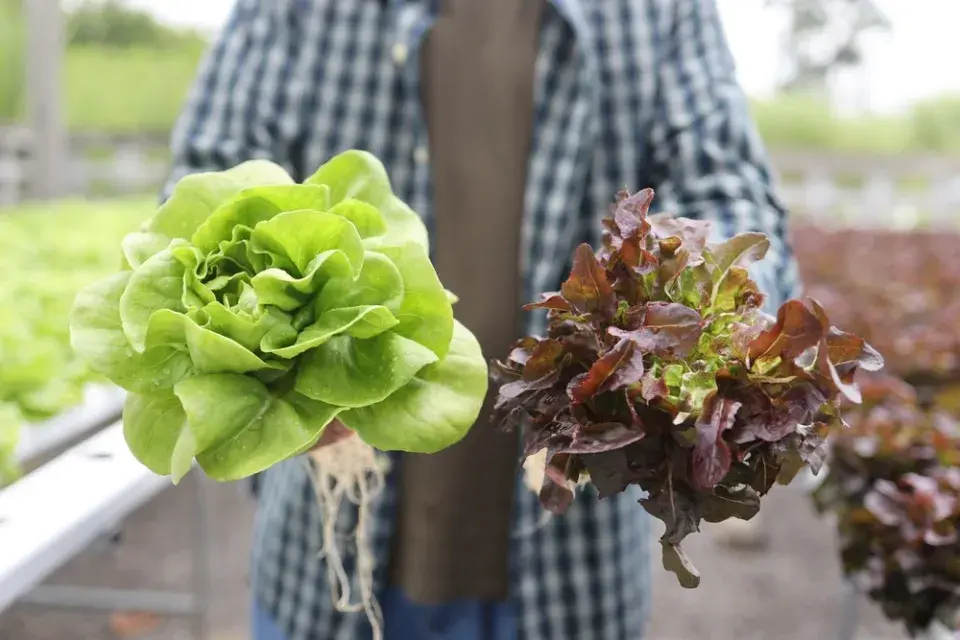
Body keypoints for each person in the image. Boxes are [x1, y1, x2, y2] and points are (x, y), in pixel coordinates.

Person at [163, 1, 799, 638]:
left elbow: (727, 187)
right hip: (330, 552)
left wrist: (707, 329)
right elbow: (209, 177)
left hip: (568, 572)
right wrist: (273, 358)